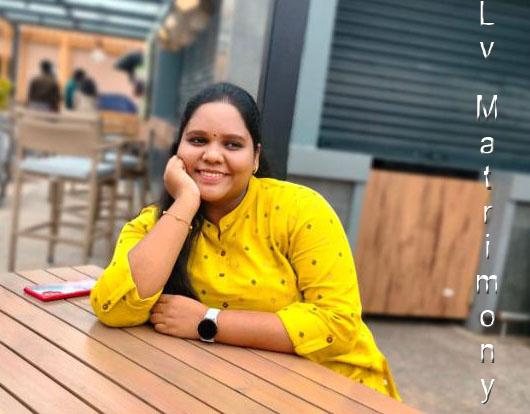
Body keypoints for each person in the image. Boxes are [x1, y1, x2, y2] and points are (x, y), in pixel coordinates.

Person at [90, 82, 401, 400]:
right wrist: (185, 203)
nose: (212, 155)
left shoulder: (301, 210)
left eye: (232, 144)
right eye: (197, 140)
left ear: (255, 158)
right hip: (236, 390)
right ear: (177, 153)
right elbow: (113, 308)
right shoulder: (157, 224)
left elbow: (338, 325)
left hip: (339, 391)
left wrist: (208, 322)